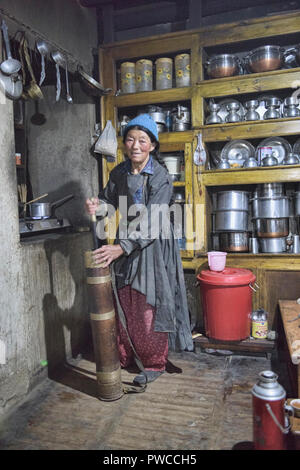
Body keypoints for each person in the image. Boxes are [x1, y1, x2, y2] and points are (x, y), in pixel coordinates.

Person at [85, 114, 193, 385]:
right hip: (124, 242)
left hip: (152, 244)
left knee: (149, 303)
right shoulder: (119, 172)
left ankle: (155, 363)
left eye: (142, 140)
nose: (135, 145)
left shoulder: (160, 176)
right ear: (124, 144)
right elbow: (108, 203)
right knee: (124, 298)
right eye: (131, 139)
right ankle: (127, 355)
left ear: (152, 146)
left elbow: (154, 219)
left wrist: (122, 247)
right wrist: (97, 207)